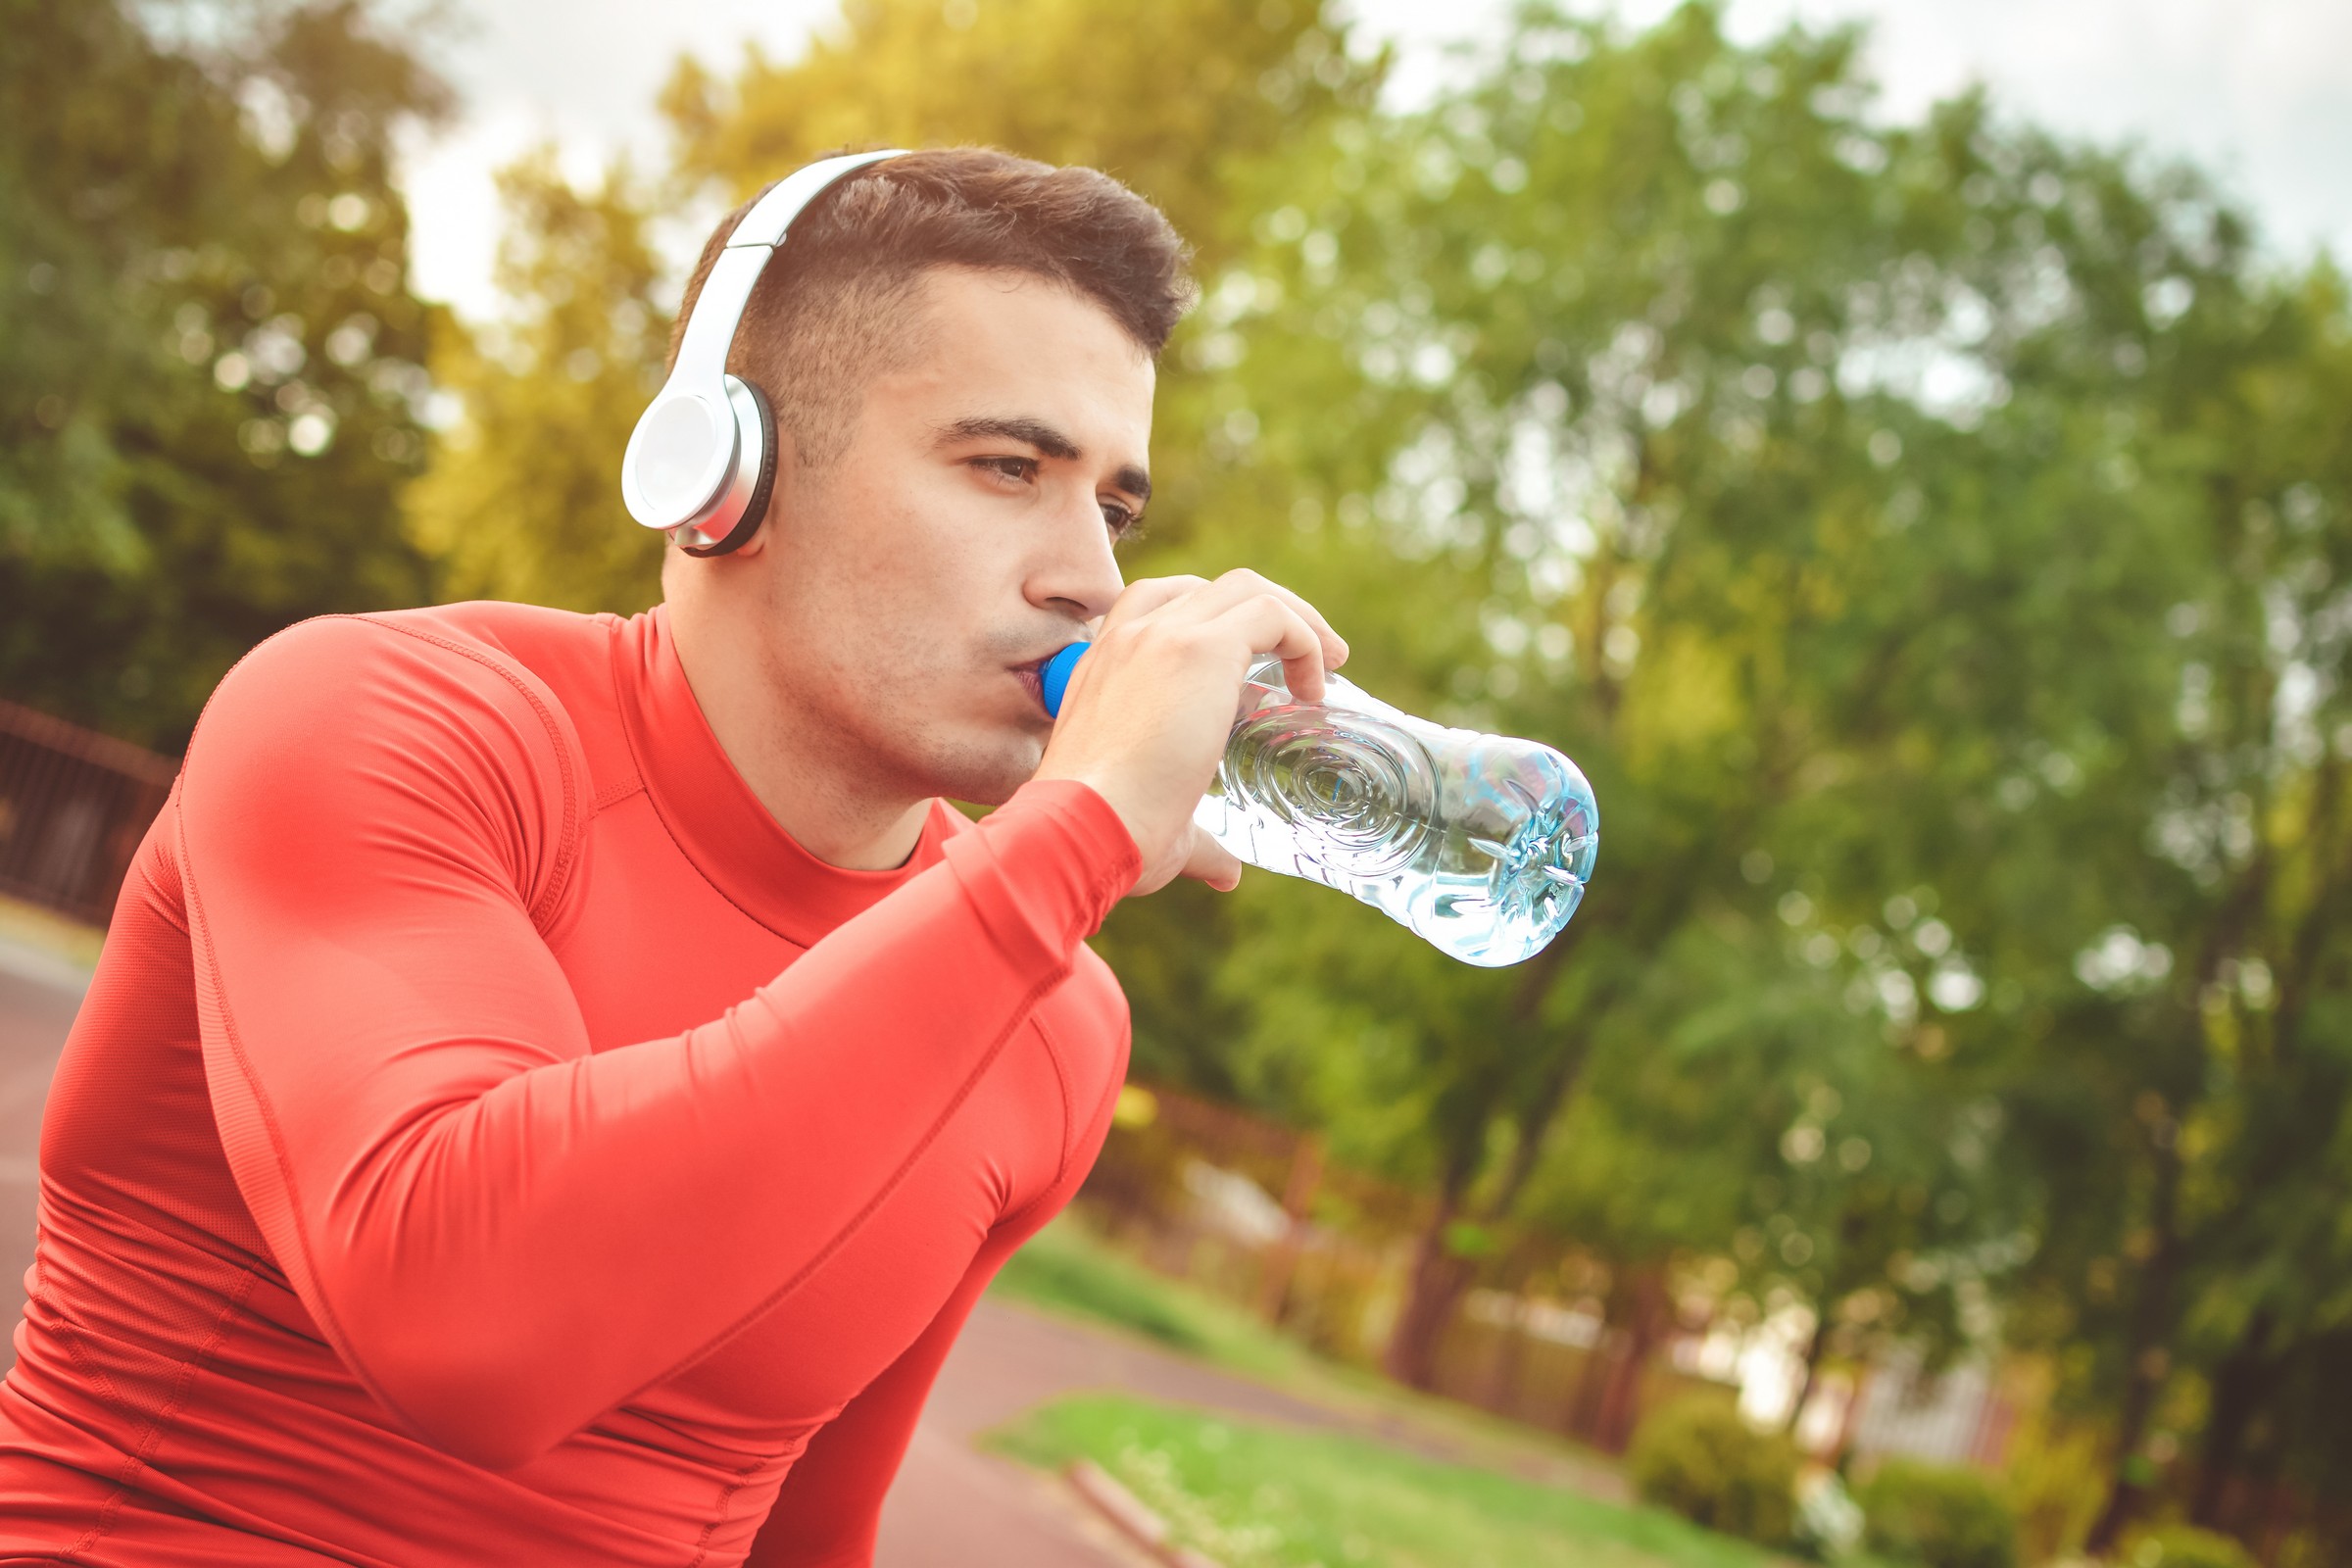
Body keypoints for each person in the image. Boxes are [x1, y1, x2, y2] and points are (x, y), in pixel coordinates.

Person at [0, 147, 1346, 1565]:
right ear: (724, 470)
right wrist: (1069, 838)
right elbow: (463, 1323)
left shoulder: (1055, 1025)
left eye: (1115, 510)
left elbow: (808, 1537)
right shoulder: (373, 720)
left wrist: (1035, 881)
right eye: (1009, 467)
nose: (1094, 579)